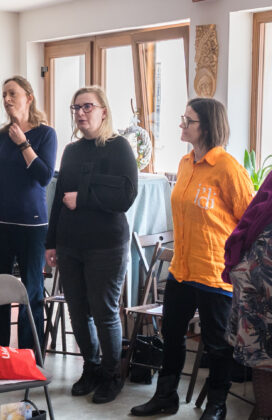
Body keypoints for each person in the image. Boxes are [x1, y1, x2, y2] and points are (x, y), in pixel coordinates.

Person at [130, 98, 254, 420]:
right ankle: (165, 396)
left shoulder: (228, 168)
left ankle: (216, 406)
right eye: (182, 118)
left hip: (214, 272)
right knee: (171, 335)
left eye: (189, 120)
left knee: (217, 345)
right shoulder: (185, 163)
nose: (181, 124)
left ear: (207, 127)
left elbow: (249, 222)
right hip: (181, 270)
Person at [45, 86, 137, 404]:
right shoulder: (71, 151)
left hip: (106, 245)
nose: (81, 113)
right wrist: (51, 242)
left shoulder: (119, 147)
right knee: (77, 310)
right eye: (76, 108)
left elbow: (125, 196)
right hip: (70, 244)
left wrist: (83, 198)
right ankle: (92, 367)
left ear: (103, 111)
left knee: (104, 312)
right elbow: (60, 199)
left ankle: (112, 375)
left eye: (87, 106)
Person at [0, 75, 57, 350]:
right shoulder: (1, 136)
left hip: (32, 226)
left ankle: (29, 355)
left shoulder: (46, 134)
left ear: (29, 97)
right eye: (4, 94)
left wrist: (24, 143)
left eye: (12, 93)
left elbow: (44, 176)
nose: (7, 99)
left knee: (31, 292)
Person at [224, 171, 272, 418]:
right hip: (258, 287)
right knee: (261, 358)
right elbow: (252, 219)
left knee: (261, 357)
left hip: (256, 282)